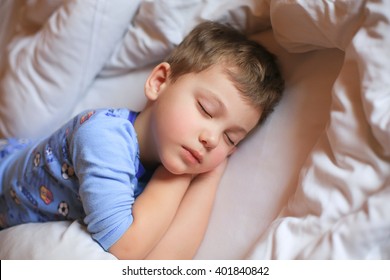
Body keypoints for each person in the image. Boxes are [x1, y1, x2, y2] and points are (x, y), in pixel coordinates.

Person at [0, 21, 284, 259]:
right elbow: (128, 247)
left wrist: (210, 173)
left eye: (230, 137)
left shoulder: (174, 158)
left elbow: (165, 262)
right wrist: (180, 175)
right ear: (159, 82)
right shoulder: (103, 138)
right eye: (206, 109)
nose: (211, 139)